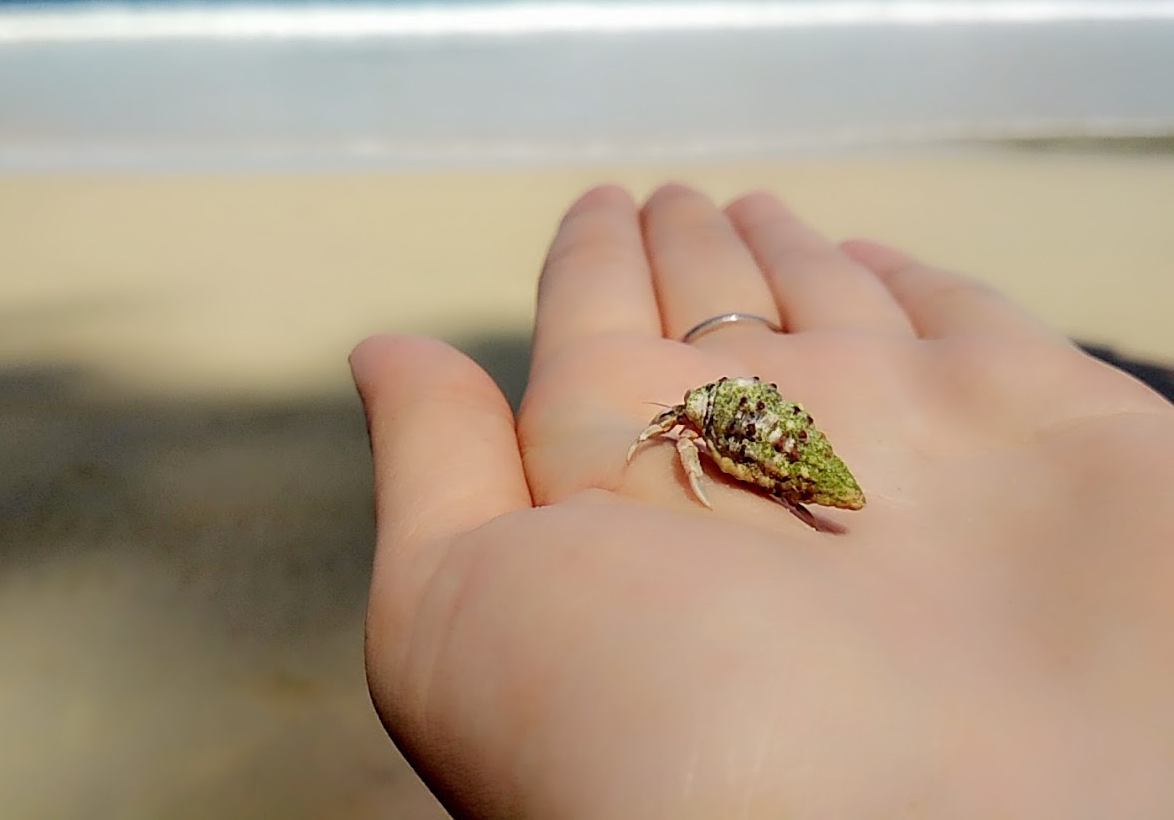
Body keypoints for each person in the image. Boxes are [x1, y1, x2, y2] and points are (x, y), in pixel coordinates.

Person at [350, 184, 1174, 819]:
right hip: (747, 421)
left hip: (760, 435)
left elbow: (692, 447)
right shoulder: (700, 410)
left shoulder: (701, 427)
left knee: (782, 472)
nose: (671, 430)